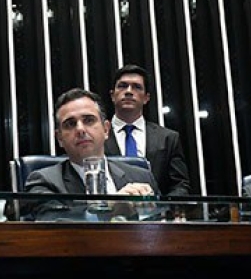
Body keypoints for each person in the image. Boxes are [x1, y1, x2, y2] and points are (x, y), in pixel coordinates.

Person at [22, 88, 157, 220]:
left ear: (106, 129)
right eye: (70, 124)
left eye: (88, 120)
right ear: (60, 138)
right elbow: (54, 223)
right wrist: (109, 208)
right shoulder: (43, 181)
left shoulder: (142, 176)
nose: (80, 129)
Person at [104, 64, 191, 197]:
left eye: (137, 87)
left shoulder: (167, 138)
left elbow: (180, 185)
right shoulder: (96, 136)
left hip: (156, 214)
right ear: (112, 95)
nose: (128, 91)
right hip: (108, 213)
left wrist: (162, 209)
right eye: (122, 86)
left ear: (146, 98)